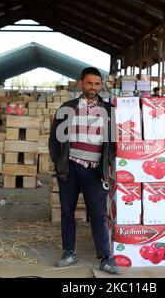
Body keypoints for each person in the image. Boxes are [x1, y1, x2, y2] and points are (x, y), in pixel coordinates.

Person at [48, 67, 121, 275]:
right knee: (67, 212)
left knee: (98, 214)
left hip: (94, 171)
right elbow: (54, 140)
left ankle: (106, 258)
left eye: (97, 84)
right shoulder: (67, 108)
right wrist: (59, 162)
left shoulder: (108, 110)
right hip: (69, 170)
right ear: (81, 83)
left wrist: (106, 163)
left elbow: (113, 141)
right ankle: (69, 252)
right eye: (90, 83)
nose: (93, 88)